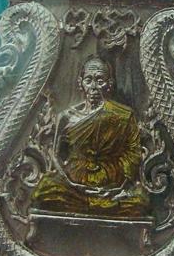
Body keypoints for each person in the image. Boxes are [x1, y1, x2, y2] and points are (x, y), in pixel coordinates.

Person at [30, 56, 150, 217]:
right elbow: (56, 154)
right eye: (89, 80)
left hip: (112, 183)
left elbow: (133, 153)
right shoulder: (66, 117)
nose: (94, 87)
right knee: (43, 192)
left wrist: (121, 186)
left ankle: (102, 201)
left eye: (100, 81)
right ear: (80, 83)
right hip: (74, 183)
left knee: (140, 201)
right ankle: (93, 202)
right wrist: (69, 182)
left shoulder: (123, 115)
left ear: (109, 84)